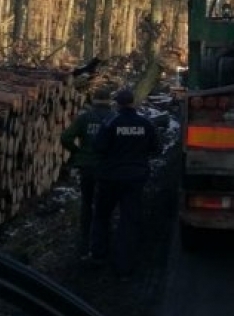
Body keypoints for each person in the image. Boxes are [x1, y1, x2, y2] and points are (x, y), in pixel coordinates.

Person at [89, 87, 160, 277]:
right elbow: (156, 148)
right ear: (133, 103)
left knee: (102, 216)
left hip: (109, 178)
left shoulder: (110, 122)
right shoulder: (145, 123)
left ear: (118, 104)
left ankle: (98, 254)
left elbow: (98, 146)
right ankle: (124, 262)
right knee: (129, 219)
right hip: (135, 178)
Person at [59, 87, 113, 258]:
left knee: (86, 202)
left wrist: (77, 152)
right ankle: (104, 240)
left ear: (94, 101)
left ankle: (84, 239)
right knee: (104, 204)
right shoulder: (114, 118)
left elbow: (65, 137)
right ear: (109, 101)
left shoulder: (84, 118)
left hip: (87, 167)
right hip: (106, 168)